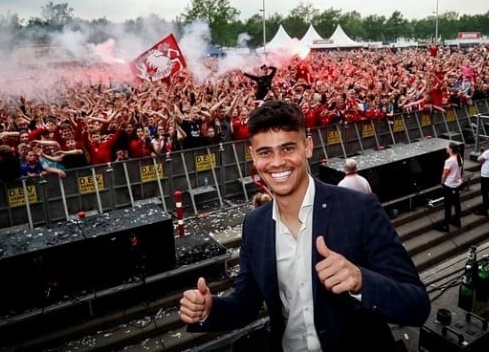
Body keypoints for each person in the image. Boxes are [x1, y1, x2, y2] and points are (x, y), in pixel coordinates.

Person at [179, 100, 430, 351]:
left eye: (287, 148)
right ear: (253, 156)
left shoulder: (359, 208)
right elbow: (245, 305)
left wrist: (361, 281)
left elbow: (417, 305)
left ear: (307, 146)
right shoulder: (255, 225)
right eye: (265, 152)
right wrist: (209, 309)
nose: (277, 162)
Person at [438, 142, 463, 232]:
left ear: (451, 150)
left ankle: (446, 225)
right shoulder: (459, 158)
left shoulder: (449, 161)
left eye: (447, 147)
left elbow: (445, 174)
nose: (446, 148)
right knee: (457, 204)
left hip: (450, 185)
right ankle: (457, 221)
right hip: (457, 184)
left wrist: (442, 182)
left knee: (447, 206)